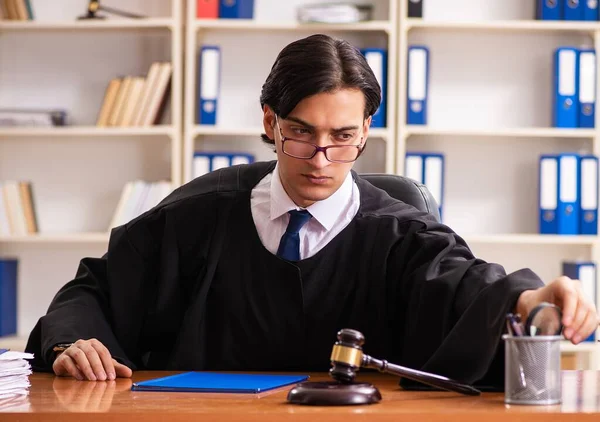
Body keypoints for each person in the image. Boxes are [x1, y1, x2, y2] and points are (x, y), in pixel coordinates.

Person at [26, 34, 598, 387]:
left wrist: (531, 299)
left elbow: (466, 287)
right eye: (301, 134)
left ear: (366, 131)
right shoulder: (197, 215)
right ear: (271, 123)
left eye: (344, 137)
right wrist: (72, 341)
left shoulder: (399, 231)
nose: (322, 159)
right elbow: (92, 292)